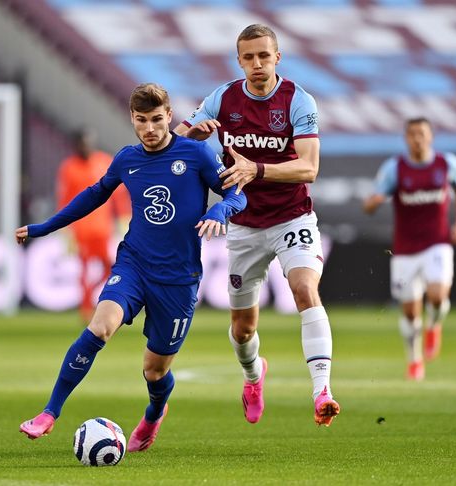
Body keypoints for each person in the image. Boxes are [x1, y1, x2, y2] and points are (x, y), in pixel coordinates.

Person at [17, 83, 246, 451]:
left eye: (157, 120)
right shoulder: (126, 159)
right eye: (142, 120)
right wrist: (44, 227)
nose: (150, 128)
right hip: (134, 263)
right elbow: (93, 196)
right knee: (100, 327)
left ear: (169, 117)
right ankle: (49, 412)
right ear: (132, 119)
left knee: (155, 370)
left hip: (178, 278)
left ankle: (155, 412)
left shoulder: (197, 153)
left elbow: (237, 191)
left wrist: (220, 208)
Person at [174, 24, 340, 427]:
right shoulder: (223, 98)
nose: (257, 64)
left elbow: (309, 167)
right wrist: (192, 135)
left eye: (264, 56)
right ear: (239, 61)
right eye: (249, 57)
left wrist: (256, 168)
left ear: (277, 57)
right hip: (243, 224)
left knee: (304, 288)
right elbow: (172, 143)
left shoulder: (298, 101)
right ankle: (253, 376)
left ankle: (322, 390)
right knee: (243, 329)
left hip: (292, 217)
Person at [363, 117, 456, 380]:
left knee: (437, 295)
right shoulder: (395, 168)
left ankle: (434, 325)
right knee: (410, 312)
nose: (417, 138)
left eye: (422, 133)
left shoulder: (447, 164)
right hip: (405, 248)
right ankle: (414, 360)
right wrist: (374, 202)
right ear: (406, 138)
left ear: (431, 136)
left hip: (438, 242)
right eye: (412, 134)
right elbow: (371, 202)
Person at [56, 129, 130, 320]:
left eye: (89, 142)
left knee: (108, 267)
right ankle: (86, 308)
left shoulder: (104, 162)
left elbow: (118, 194)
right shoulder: (69, 168)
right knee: (84, 268)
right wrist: (66, 230)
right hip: (81, 228)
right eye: (82, 143)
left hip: (102, 228)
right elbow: (64, 200)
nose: (86, 147)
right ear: (76, 145)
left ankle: (91, 298)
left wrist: (123, 217)